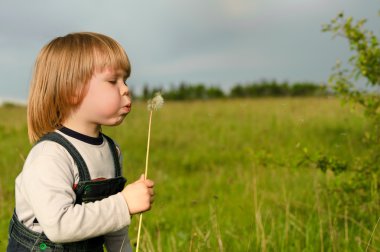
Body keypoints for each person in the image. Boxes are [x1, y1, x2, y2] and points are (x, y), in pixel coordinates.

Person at [7, 32, 154, 252]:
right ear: (73, 91)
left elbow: (113, 223)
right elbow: (59, 226)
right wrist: (123, 204)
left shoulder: (111, 151)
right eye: (113, 81)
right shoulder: (51, 155)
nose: (125, 89)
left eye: (125, 80)